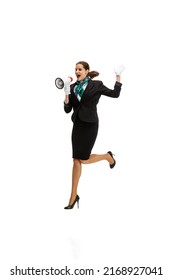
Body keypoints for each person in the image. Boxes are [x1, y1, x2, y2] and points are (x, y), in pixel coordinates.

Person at [63, 61, 123, 209]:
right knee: (76, 159)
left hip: (90, 125)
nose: (77, 71)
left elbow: (115, 95)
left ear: (86, 71)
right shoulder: (72, 87)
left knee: (83, 159)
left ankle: (107, 157)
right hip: (77, 125)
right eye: (75, 69)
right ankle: (73, 196)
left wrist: (118, 76)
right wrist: (66, 94)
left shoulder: (96, 85)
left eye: (80, 69)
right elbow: (67, 109)